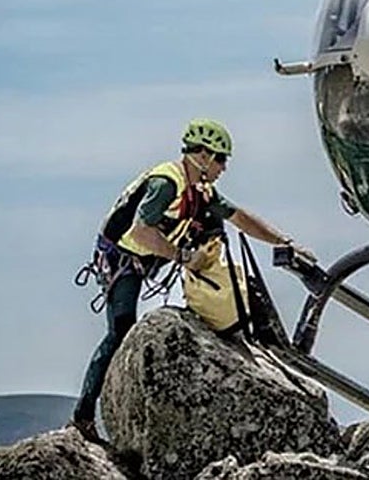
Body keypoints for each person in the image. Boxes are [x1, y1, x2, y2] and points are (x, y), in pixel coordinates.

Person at [69, 117, 312, 443]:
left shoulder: (201, 191)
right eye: (221, 159)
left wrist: (285, 241)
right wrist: (182, 257)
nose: (224, 167)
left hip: (146, 253)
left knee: (211, 227)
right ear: (203, 156)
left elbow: (240, 218)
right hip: (121, 258)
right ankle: (82, 417)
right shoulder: (166, 183)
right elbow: (142, 231)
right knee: (119, 331)